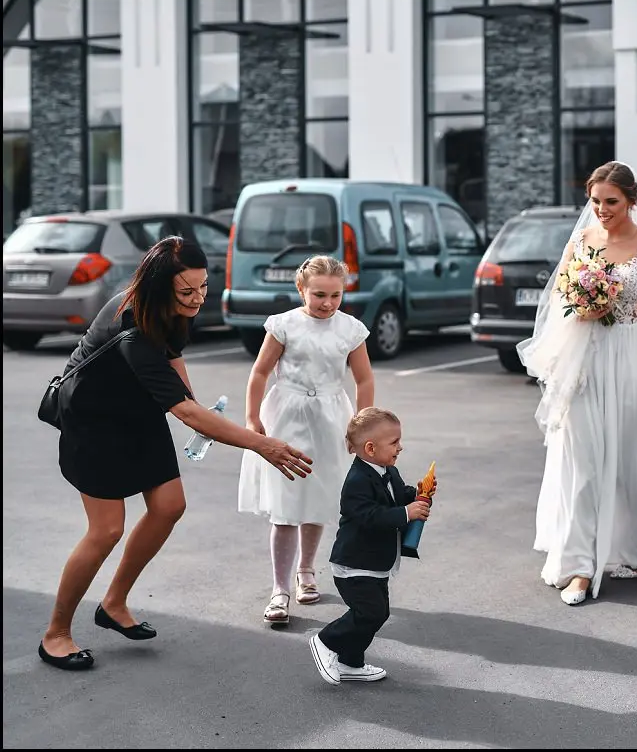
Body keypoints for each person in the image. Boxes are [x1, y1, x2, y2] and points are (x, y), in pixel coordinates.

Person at [40, 236, 313, 671]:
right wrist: (262, 443)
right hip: (93, 424)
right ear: (159, 288)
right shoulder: (132, 329)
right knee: (106, 530)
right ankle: (55, 633)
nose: (198, 299)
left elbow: (174, 360)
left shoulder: (170, 309)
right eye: (187, 292)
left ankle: (113, 604)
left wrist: (196, 404)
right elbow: (183, 411)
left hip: (136, 412)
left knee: (169, 506)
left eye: (203, 287)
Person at [517, 160, 637, 606]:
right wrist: (582, 305)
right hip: (584, 364)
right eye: (595, 201)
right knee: (582, 463)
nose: (601, 209)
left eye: (611, 202)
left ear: (632, 201)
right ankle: (580, 565)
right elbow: (559, 297)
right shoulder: (580, 241)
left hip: (633, 361)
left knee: (635, 460)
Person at [238, 256, 373, 625]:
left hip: (332, 418)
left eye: (335, 295)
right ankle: (279, 589)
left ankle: (307, 570)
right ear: (302, 290)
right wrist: (253, 418)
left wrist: (361, 425)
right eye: (318, 295)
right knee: (285, 505)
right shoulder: (284, 326)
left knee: (318, 497)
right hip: (287, 416)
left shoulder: (351, 329)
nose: (327, 303)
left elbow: (363, 380)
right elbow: (260, 372)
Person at [308, 408, 433, 684]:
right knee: (369, 612)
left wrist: (419, 494)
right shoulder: (357, 481)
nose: (400, 447)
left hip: (375, 562)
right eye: (394, 442)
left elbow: (398, 496)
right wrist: (406, 513)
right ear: (370, 448)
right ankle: (326, 642)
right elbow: (369, 516)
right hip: (353, 564)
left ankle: (350, 662)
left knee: (378, 613)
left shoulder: (389, 470)